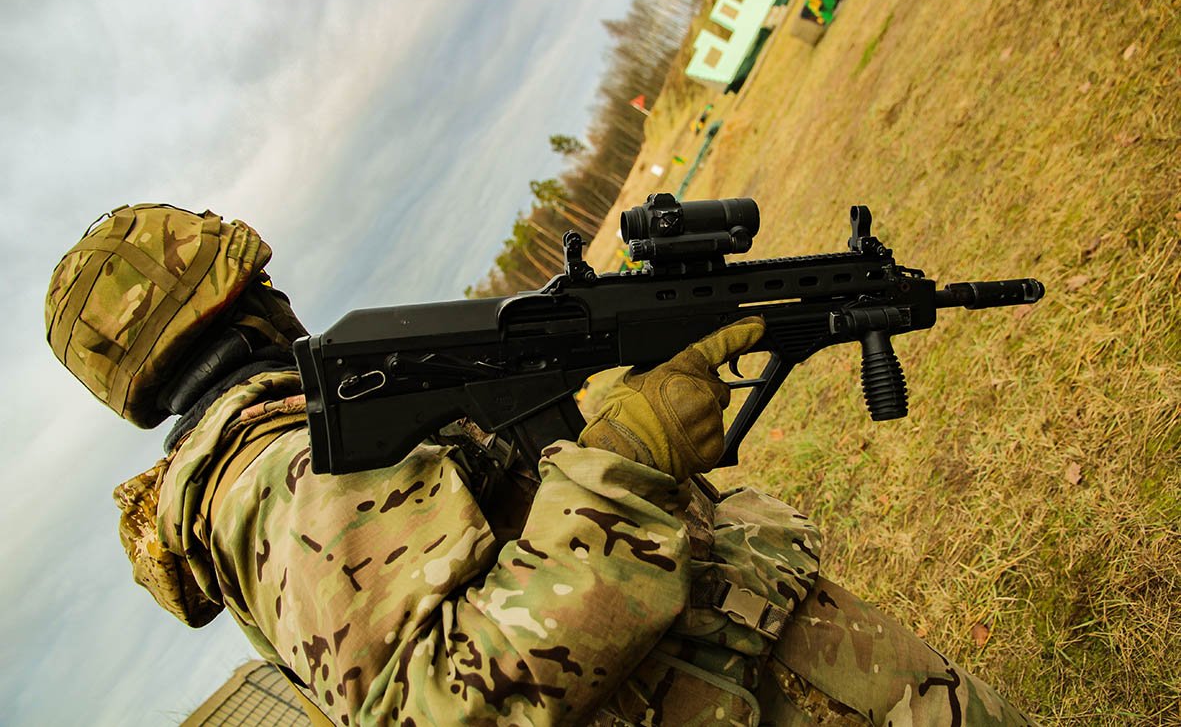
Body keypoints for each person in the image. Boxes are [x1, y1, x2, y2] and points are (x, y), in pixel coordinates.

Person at [46, 203, 1034, 726]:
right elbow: (442, 705)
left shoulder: (285, 454)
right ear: (251, 302)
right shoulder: (278, 486)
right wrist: (623, 460)